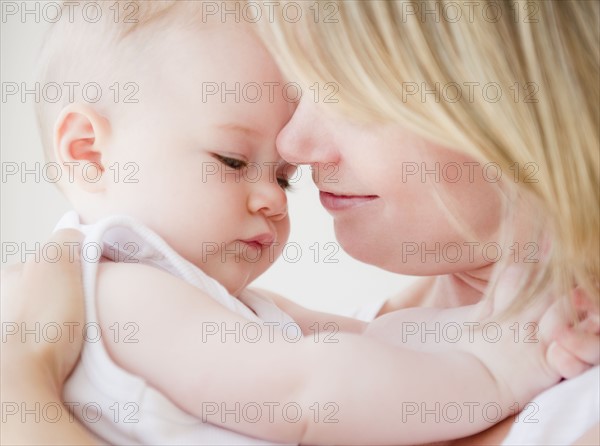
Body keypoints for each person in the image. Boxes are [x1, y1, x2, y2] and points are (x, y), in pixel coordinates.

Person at [2, 0, 598, 444]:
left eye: (344, 96)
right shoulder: (123, 292)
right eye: (232, 161)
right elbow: (308, 391)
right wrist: (499, 367)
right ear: (87, 152)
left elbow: (360, 345)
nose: (281, 188)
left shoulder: (211, 306)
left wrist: (500, 324)